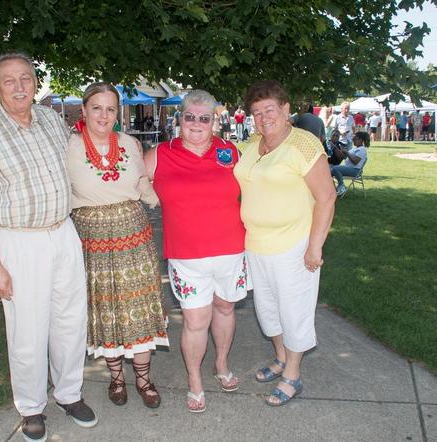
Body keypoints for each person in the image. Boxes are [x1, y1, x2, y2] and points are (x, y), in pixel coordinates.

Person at [0, 52, 97, 442]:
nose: (19, 86)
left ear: (36, 82)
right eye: (9, 80)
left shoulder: (51, 120)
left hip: (64, 233)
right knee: (27, 330)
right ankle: (32, 407)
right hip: (19, 242)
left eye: (26, 78)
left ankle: (69, 394)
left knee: (71, 320)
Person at [145, 90, 249, 413]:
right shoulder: (160, 154)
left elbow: (260, 190)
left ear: (215, 121)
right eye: (190, 116)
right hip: (186, 255)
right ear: (180, 118)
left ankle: (221, 364)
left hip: (231, 249)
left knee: (225, 308)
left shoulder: (230, 152)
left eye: (205, 118)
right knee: (195, 319)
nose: (196, 124)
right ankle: (194, 381)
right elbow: (128, 183)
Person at [233, 80, 336, 407]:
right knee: (267, 311)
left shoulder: (303, 144)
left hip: (294, 244)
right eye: (256, 112)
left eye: (269, 110)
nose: (263, 118)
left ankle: (292, 374)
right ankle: (280, 358)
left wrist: (315, 247)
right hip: (256, 244)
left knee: (294, 312)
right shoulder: (251, 144)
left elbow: (327, 197)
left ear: (286, 109)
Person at [66, 82, 168, 409]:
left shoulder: (130, 144)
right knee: (105, 308)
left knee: (138, 307)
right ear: (84, 111)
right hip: (92, 240)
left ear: (118, 113)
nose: (104, 115)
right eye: (97, 107)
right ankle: (116, 378)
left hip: (134, 236)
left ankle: (143, 378)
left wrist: (171, 204)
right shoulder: (67, 147)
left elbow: (142, 184)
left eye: (111, 108)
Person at [331, 131, 369, 196]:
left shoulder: (362, 150)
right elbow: (346, 158)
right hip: (349, 168)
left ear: (361, 140)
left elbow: (355, 162)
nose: (353, 141)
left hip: (355, 170)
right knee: (330, 171)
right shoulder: (355, 148)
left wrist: (347, 153)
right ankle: (332, 189)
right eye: (353, 139)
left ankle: (341, 186)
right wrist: (342, 151)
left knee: (334, 169)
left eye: (355, 139)